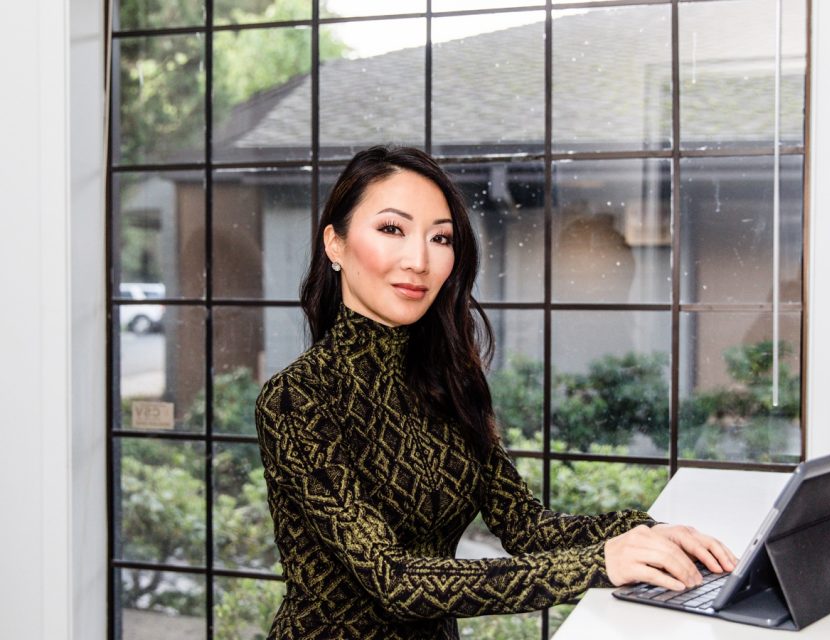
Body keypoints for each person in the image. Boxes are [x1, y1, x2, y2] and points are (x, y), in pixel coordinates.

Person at [255, 145, 737, 639]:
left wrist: (645, 533)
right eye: (392, 229)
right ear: (334, 244)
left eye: (440, 237)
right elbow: (393, 580)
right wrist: (599, 563)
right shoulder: (297, 399)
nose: (419, 260)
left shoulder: (448, 382)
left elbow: (526, 527)